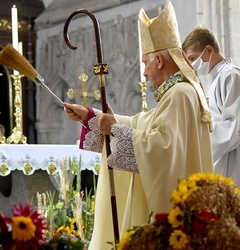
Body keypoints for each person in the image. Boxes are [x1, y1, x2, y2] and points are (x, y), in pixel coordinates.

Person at [64, 2, 213, 248]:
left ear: (158, 60)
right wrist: (92, 116)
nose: (144, 72)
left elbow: (163, 149)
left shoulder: (180, 94)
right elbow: (142, 125)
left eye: (145, 63)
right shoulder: (178, 93)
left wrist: (114, 128)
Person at [182, 26, 240, 186]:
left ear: (208, 50)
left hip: (233, 161)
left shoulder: (230, 75)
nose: (192, 65)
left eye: (193, 58)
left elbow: (234, 127)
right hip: (223, 159)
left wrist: (198, 143)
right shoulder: (218, 79)